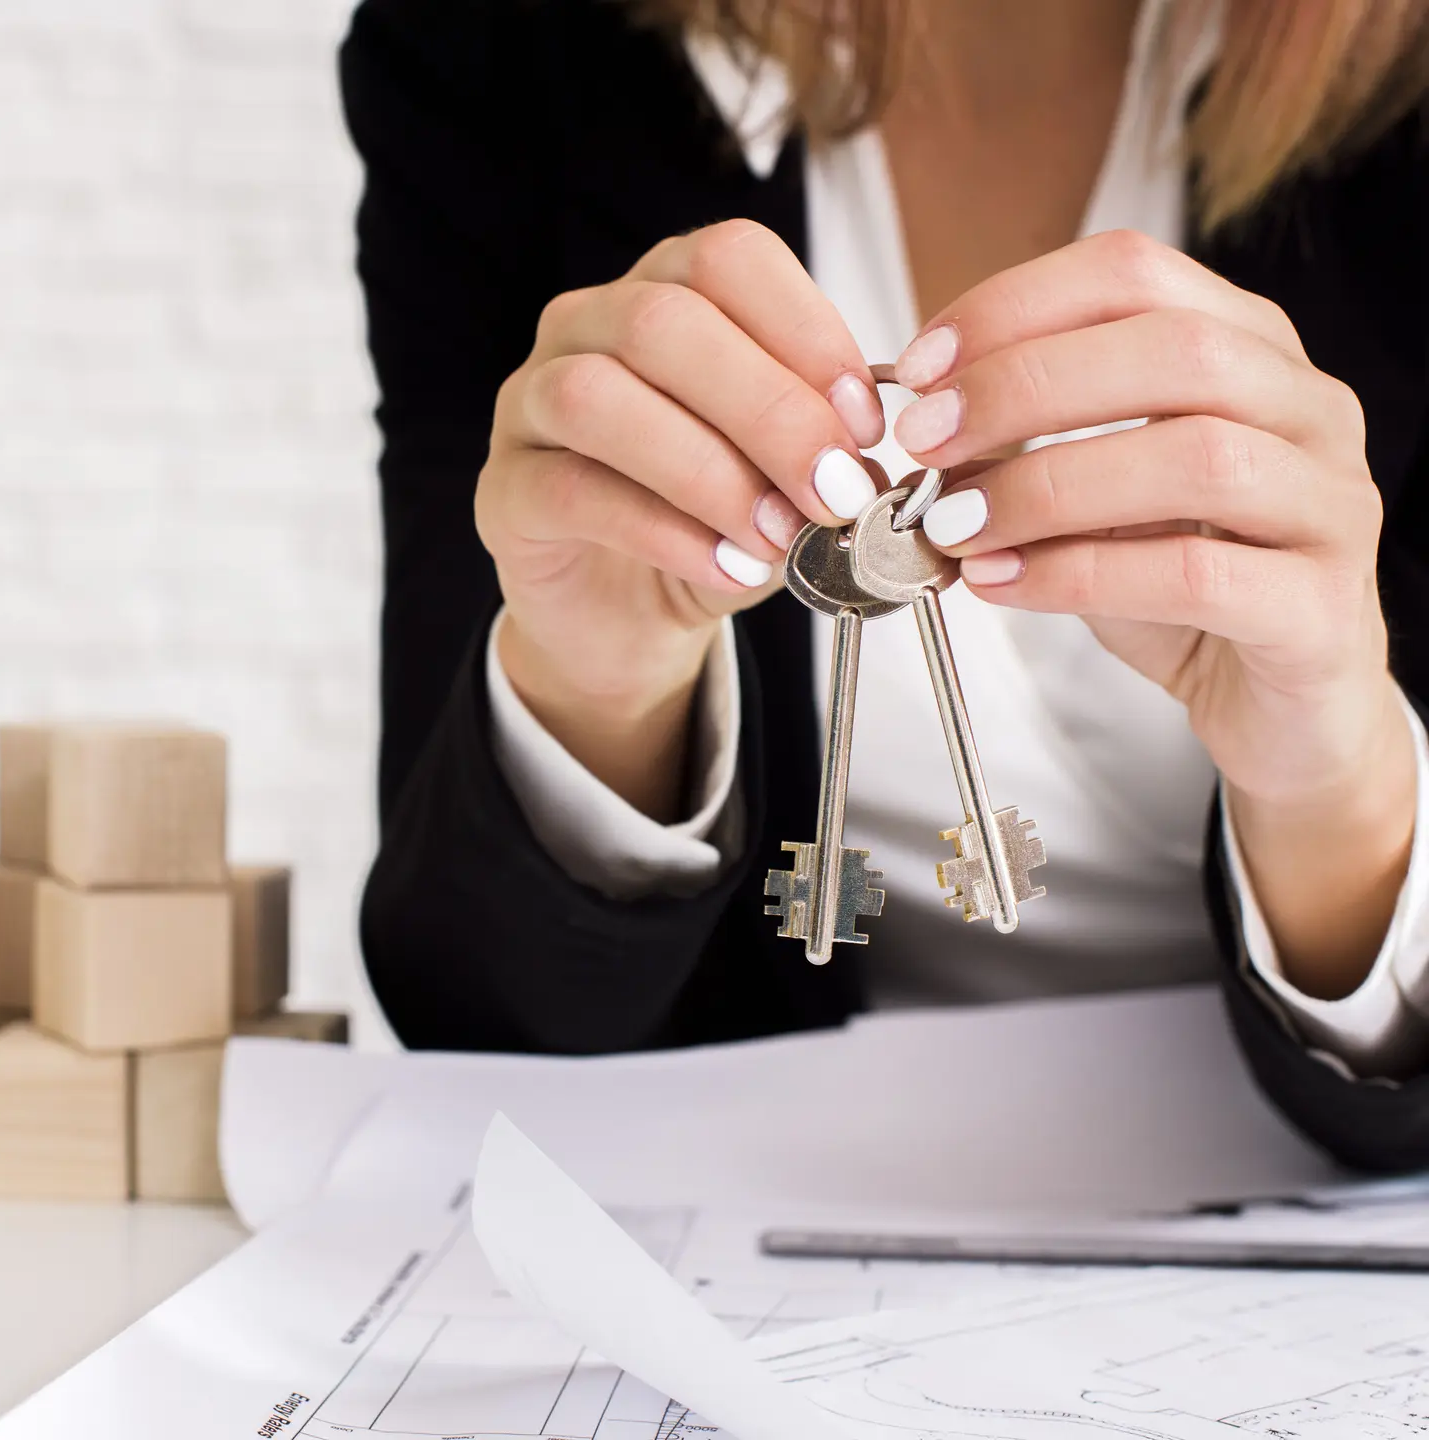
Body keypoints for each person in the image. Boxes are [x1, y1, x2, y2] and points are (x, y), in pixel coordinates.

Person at [339, 0, 1429, 1169]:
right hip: (772, 1198)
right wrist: (596, 695)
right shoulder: (499, 51)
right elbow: (476, 1027)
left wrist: (1337, 789)